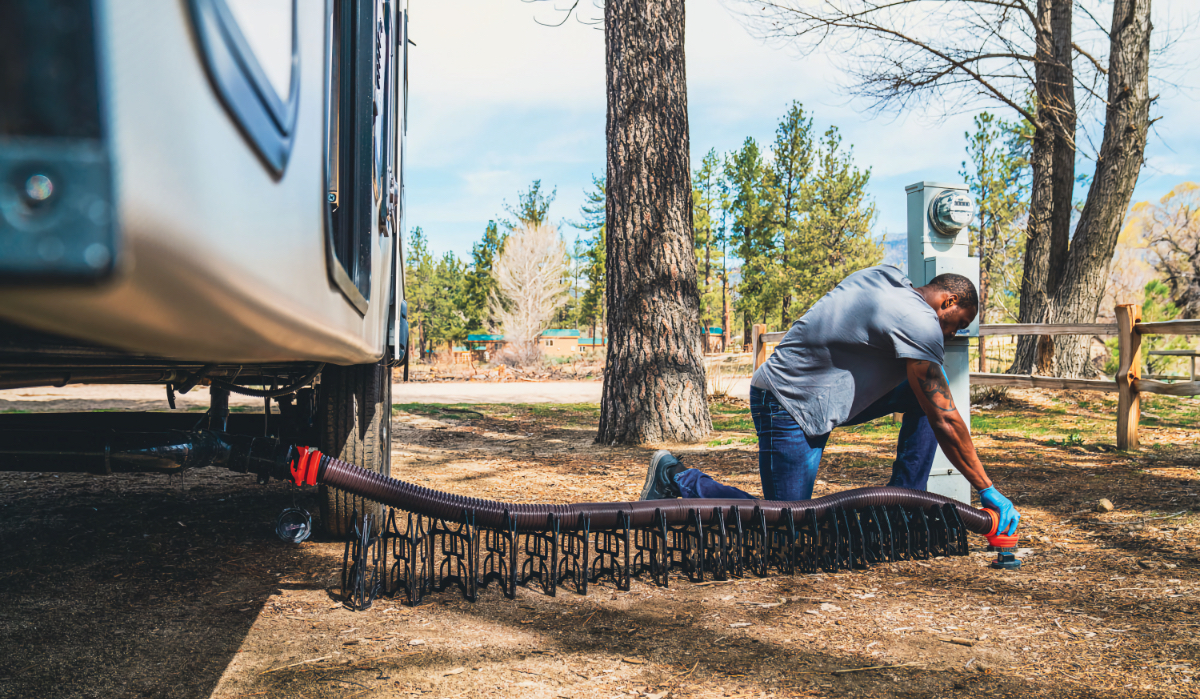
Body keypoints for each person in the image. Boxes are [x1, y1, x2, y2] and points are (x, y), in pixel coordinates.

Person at [640, 265, 1020, 536]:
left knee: (926, 398)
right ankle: (677, 477)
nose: (952, 334)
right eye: (956, 323)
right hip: (787, 402)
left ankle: (904, 506)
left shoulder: (885, 277)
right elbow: (946, 419)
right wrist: (986, 487)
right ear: (948, 300)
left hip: (824, 398)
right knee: (787, 526)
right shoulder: (921, 321)